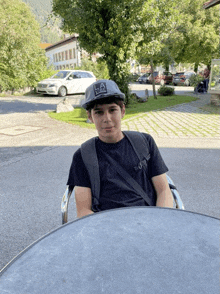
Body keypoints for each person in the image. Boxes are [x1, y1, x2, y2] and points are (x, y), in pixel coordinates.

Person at [67, 79, 173, 218]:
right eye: (99, 112)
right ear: (90, 116)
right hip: (107, 225)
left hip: (149, 219)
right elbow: (83, 211)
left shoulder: (144, 142)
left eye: (112, 110)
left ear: (122, 111)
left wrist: (160, 220)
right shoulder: (83, 156)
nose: (107, 119)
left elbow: (163, 190)